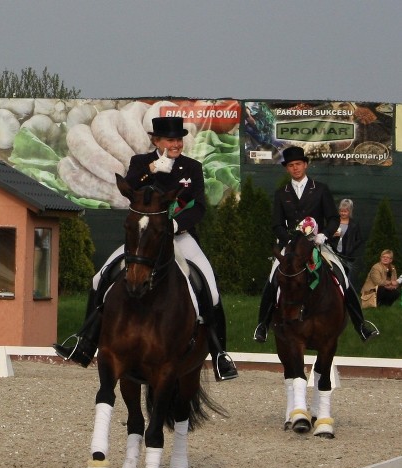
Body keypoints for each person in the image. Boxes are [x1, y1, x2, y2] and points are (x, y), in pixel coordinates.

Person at [54, 116, 238, 381]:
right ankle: (85, 342)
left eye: (178, 139)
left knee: (210, 285)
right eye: (170, 140)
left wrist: (174, 226)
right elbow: (129, 188)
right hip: (143, 239)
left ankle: (220, 355)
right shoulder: (140, 163)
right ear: (156, 141)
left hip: (179, 235)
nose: (176, 144)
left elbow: (198, 206)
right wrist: (151, 169)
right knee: (100, 277)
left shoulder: (192, 167)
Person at [253, 146, 378, 343]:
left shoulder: (320, 189)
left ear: (306, 165)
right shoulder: (281, 193)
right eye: (291, 165)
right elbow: (276, 224)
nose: (295, 168)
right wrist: (290, 243)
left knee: (341, 275)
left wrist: (324, 235)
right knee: (273, 279)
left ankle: (360, 324)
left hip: (317, 244)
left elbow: (333, 218)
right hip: (291, 247)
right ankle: (262, 324)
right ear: (287, 168)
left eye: (298, 164)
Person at [330, 198, 363, 286]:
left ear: (350, 211)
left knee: (346, 280)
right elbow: (325, 236)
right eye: (341, 211)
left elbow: (359, 239)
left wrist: (351, 248)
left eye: (345, 211)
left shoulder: (354, 224)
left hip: (347, 257)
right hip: (333, 254)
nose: (343, 213)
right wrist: (333, 235)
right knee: (333, 278)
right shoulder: (334, 222)